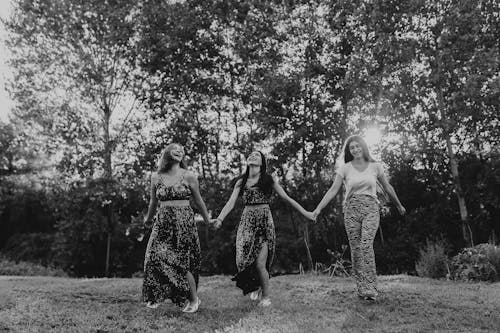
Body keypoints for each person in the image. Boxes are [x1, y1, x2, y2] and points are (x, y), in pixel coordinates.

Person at [211, 151, 315, 307]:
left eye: (257, 155)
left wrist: (306, 212)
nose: (253, 156)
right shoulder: (241, 182)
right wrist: (220, 219)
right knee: (243, 261)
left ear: (262, 162)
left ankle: (266, 297)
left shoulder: (268, 179)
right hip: (247, 223)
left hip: (264, 222)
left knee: (261, 263)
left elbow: (286, 198)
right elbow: (230, 203)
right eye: (251, 155)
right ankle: (255, 285)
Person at [312, 135, 406, 301]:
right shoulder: (345, 168)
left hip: (371, 208)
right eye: (352, 148)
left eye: (357, 146)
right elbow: (333, 190)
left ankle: (371, 287)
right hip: (351, 210)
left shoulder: (375, 166)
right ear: (349, 151)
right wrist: (318, 209)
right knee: (355, 248)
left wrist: (398, 204)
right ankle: (362, 288)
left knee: (366, 244)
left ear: (363, 147)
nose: (355, 149)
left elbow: (387, 186)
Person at [142, 143, 213, 313]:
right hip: (162, 222)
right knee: (154, 255)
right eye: (176, 149)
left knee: (182, 262)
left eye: (182, 150)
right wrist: (148, 220)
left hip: (183, 222)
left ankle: (194, 299)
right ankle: (155, 295)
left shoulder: (188, 176)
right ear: (167, 153)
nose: (180, 151)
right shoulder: (155, 177)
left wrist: (208, 221)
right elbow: (153, 202)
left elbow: (199, 201)